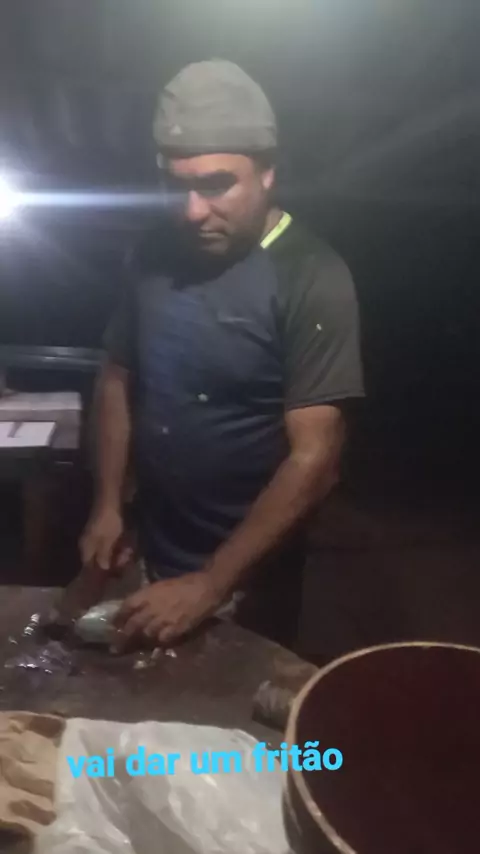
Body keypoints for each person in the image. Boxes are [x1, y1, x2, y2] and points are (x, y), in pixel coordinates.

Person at [79, 59, 364, 649]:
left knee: (236, 702)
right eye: (176, 185)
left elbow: (316, 459)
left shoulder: (313, 277)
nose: (192, 211)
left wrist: (211, 584)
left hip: (251, 574)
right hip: (151, 543)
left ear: (267, 173)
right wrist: (108, 504)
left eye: (216, 185)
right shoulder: (151, 254)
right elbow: (117, 376)